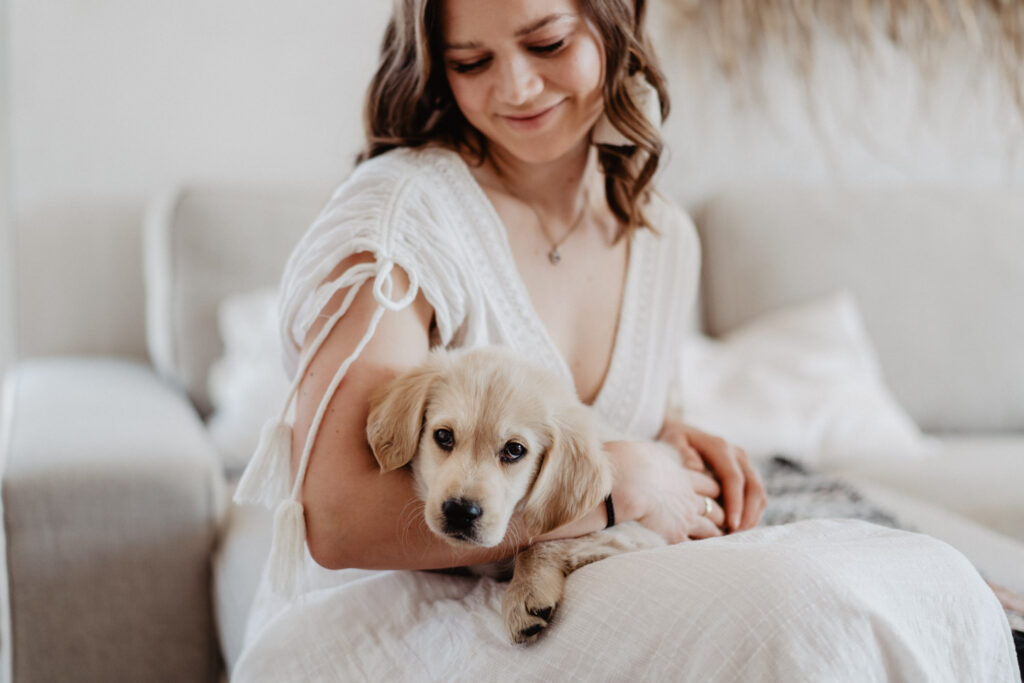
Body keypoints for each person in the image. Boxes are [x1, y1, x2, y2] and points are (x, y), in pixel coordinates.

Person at [231, 0, 1020, 680]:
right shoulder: (402, 223)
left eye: (546, 43)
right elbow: (333, 522)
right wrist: (618, 485)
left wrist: (677, 446)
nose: (515, 87)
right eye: (471, 61)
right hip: (392, 624)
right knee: (791, 612)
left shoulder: (661, 234)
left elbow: (634, 427)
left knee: (921, 581)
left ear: (615, 20)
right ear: (436, 67)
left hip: (572, 584)